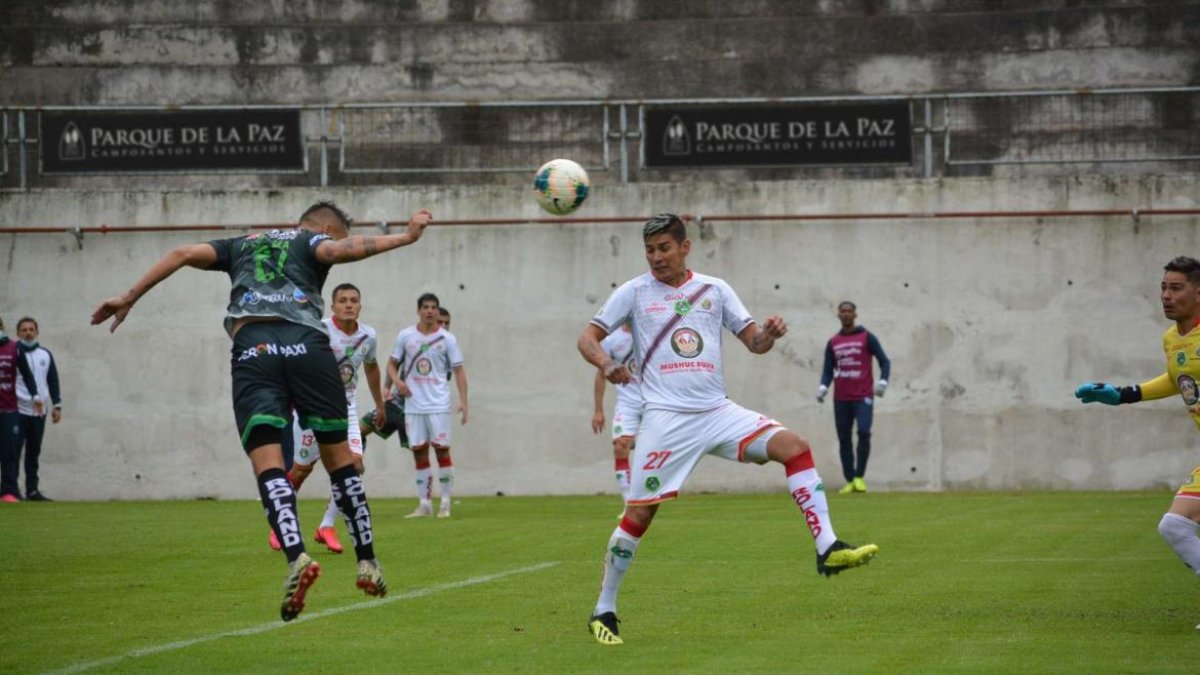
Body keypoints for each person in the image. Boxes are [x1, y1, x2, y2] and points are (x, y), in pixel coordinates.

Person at [91, 201, 432, 621]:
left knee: (268, 463)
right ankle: (367, 561)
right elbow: (341, 251)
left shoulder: (239, 244)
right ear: (325, 227)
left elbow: (180, 254)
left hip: (254, 348)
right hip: (309, 347)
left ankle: (297, 557)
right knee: (342, 461)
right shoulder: (314, 240)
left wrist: (128, 297)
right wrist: (406, 236)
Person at [577, 213, 879, 645]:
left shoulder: (715, 290)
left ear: (685, 247)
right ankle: (604, 607)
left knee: (794, 446)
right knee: (640, 513)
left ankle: (827, 548)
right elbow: (586, 338)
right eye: (650, 249)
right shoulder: (634, 292)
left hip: (717, 412)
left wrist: (770, 335)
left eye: (664, 247)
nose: (656, 257)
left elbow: (754, 343)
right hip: (665, 418)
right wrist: (605, 362)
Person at [1075, 255, 1200, 630]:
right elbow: (1175, 378)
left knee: (1175, 526)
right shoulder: (1172, 339)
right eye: (1163, 287)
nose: (1166, 295)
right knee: (1175, 526)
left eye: (1176, 288)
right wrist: (1122, 394)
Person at [282, 283, 387, 555]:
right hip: (314, 409)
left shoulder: (368, 336)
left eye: (354, 300)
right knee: (301, 470)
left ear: (360, 305)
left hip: (346, 409)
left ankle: (327, 525)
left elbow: (372, 369)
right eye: (343, 301)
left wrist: (379, 404)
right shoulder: (320, 330)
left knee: (354, 466)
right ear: (333, 306)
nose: (349, 305)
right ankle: (280, 523)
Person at [387, 293, 468, 519]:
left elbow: (459, 370)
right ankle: (424, 504)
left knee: (442, 450)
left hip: (439, 405)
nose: (430, 311)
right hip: (413, 405)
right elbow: (392, 364)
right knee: (419, 453)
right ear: (418, 310)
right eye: (426, 307)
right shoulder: (406, 336)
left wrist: (463, 401)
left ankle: (445, 502)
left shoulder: (447, 339)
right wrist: (396, 382)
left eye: (433, 307)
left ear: (437, 311)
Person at [815, 301, 892, 494]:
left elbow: (884, 360)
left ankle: (859, 477)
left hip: (863, 396)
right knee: (844, 438)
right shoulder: (833, 342)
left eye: (850, 311)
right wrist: (823, 387)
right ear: (838, 315)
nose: (846, 314)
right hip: (841, 397)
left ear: (855, 314)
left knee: (864, 432)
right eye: (843, 311)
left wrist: (883, 382)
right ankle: (849, 479)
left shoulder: (866, 337)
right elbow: (827, 370)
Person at [15, 317, 62, 502]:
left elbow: (53, 381)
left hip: (39, 412)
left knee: (33, 452)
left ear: (37, 331)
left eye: (31, 329)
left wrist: (57, 405)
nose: (28, 333)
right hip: (17, 410)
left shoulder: (45, 355)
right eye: (24, 330)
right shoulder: (14, 354)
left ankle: (32, 490)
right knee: (13, 452)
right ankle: (11, 489)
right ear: (18, 333)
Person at [591, 321, 640, 501]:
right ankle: (629, 503)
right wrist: (598, 410)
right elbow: (601, 375)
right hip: (627, 402)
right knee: (620, 447)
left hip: (654, 400)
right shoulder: (612, 340)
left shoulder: (650, 332)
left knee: (655, 450)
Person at [0, 315, 41, 503]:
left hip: (8, 409)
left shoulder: (14, 348)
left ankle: (9, 491)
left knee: (9, 452)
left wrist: (36, 396)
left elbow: (27, 375)